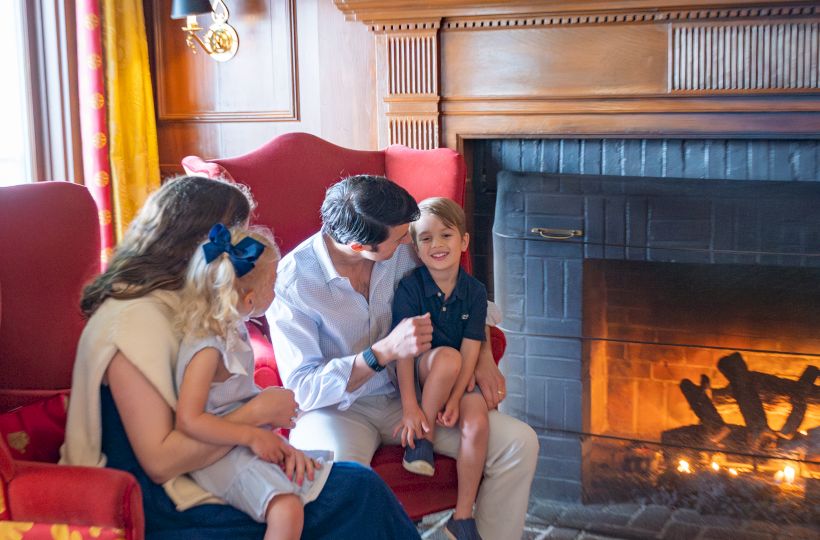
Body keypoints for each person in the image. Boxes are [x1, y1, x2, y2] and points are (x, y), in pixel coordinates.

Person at [61, 175, 420, 540]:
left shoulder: (195, 306)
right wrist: (258, 413)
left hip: (220, 461)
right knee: (355, 493)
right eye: (239, 239)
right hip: (162, 497)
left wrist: (272, 441)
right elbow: (160, 462)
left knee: (355, 485)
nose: (247, 253)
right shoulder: (131, 319)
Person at [268, 175, 539, 540]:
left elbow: (473, 303)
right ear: (358, 245)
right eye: (399, 238)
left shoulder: (403, 247)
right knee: (328, 479)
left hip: (413, 395)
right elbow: (303, 388)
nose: (410, 241)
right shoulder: (292, 283)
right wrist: (382, 352)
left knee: (518, 443)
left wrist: (485, 357)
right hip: (336, 409)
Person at [174, 223, 333, 540]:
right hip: (217, 452)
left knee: (311, 472)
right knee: (286, 509)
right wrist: (252, 437)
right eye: (273, 283)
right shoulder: (207, 348)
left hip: (239, 438)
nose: (277, 288)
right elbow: (189, 421)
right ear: (248, 300)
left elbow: (236, 396)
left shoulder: (234, 328)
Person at [391, 197, 489, 539]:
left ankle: (461, 519)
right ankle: (422, 439)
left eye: (446, 235)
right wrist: (410, 405)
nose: (437, 245)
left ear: (463, 241)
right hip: (424, 368)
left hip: (458, 375)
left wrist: (459, 396)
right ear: (416, 248)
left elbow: (473, 344)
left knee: (476, 421)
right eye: (427, 238)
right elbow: (403, 353)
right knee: (447, 357)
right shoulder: (410, 287)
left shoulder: (475, 292)